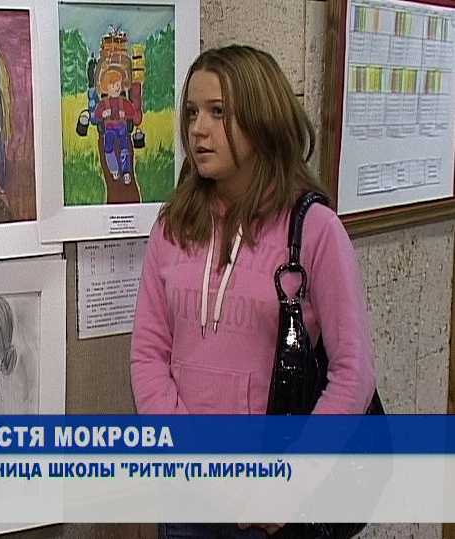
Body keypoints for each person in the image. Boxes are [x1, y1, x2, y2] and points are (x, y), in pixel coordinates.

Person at [129, 45, 377, 538]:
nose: (198, 129)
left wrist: (292, 481)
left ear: (262, 120)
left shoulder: (314, 230)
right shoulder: (172, 227)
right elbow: (148, 353)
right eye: (192, 112)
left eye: (218, 112)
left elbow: (354, 374)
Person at [92, 68, 141, 185]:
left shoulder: (123, 102)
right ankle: (114, 169)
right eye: (114, 85)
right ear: (107, 88)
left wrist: (126, 114)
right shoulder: (104, 103)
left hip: (121, 127)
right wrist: (103, 114)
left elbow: (132, 112)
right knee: (108, 147)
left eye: (118, 85)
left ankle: (126, 172)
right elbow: (96, 116)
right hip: (109, 129)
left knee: (124, 147)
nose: (117, 88)